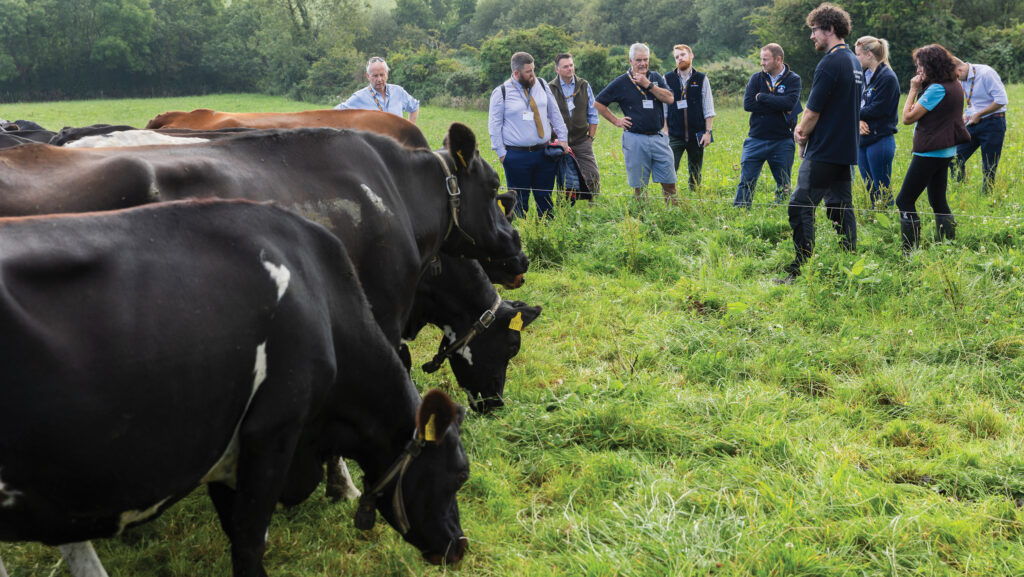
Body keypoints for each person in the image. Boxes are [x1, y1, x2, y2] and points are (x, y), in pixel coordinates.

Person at [776, 2, 862, 285]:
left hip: (824, 149)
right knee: (840, 207)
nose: (811, 36)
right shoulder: (853, 61)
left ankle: (800, 269)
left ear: (831, 29)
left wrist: (800, 133)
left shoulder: (830, 63)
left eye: (814, 30)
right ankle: (850, 260)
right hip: (845, 149)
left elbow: (812, 112)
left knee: (800, 206)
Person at [895, 44, 969, 253]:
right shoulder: (954, 84)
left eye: (921, 66)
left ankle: (910, 251)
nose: (918, 71)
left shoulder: (937, 89)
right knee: (937, 198)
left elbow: (908, 118)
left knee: (904, 199)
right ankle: (948, 245)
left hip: (930, 151)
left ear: (932, 66)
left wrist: (913, 89)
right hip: (945, 150)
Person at [488, 51, 569, 218]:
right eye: (528, 71)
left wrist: (563, 139)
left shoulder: (541, 84)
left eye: (533, 69)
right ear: (516, 73)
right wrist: (502, 155)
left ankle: (547, 230)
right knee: (519, 200)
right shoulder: (501, 92)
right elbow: (494, 126)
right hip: (516, 156)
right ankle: (521, 234)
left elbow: (554, 113)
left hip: (544, 153)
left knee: (544, 197)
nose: (533, 74)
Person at [594, 43, 678, 203]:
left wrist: (649, 85)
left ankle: (673, 215)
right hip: (635, 138)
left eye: (645, 59)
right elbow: (598, 103)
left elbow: (670, 98)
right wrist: (617, 121)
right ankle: (644, 219)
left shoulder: (655, 78)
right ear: (630, 61)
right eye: (638, 60)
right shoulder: (621, 82)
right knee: (640, 187)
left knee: (670, 182)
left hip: (658, 137)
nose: (642, 63)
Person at [733, 43, 802, 208]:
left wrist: (762, 97)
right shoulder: (756, 78)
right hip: (756, 139)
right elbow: (748, 104)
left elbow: (790, 103)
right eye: (761, 59)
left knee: (783, 183)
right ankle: (740, 211)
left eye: (765, 59)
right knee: (746, 181)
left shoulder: (793, 79)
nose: (762, 63)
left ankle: (780, 213)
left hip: (782, 140)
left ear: (778, 59)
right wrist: (778, 105)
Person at [951, 57, 1008, 194]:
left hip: (993, 123)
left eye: (956, 76)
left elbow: (1002, 100)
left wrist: (979, 114)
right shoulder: (962, 78)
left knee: (989, 165)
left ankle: (987, 195)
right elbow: (972, 100)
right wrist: (968, 114)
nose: (956, 80)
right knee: (954, 158)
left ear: (960, 69)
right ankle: (960, 191)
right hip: (974, 122)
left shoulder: (986, 73)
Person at [855, 36, 899, 208]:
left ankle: (888, 224)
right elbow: (855, 103)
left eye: (858, 54)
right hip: (862, 139)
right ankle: (876, 216)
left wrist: (853, 115)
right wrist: (857, 120)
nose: (855, 58)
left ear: (869, 55)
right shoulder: (863, 76)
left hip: (880, 138)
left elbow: (877, 109)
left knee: (882, 187)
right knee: (870, 185)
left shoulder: (887, 77)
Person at [664, 44, 716, 191]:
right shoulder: (667, 78)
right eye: (677, 57)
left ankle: (695, 196)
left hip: (697, 134)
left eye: (683, 55)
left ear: (691, 56)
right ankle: (670, 196)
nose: (680, 59)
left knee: (696, 171)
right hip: (674, 134)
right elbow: (664, 108)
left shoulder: (701, 79)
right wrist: (665, 131)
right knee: (670, 167)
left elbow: (708, 108)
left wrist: (708, 132)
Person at [549, 53, 601, 197]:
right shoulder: (550, 88)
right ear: (557, 69)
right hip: (559, 142)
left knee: (592, 175)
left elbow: (593, 113)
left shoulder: (583, 85)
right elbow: (545, 117)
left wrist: (590, 138)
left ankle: (593, 204)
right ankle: (565, 206)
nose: (570, 69)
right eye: (565, 66)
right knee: (563, 177)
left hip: (581, 140)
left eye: (571, 65)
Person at [335, 57, 420, 123]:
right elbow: (335, 112)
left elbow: (414, 107)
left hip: (397, 143)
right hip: (374, 145)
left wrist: (409, 132)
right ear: (368, 76)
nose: (379, 79)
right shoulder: (359, 97)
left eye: (382, 75)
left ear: (387, 74)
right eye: (375, 76)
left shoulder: (398, 91)